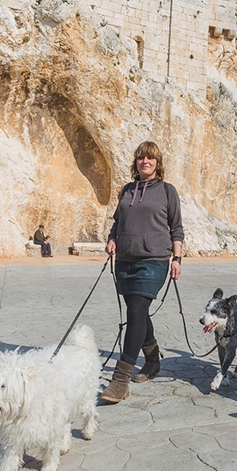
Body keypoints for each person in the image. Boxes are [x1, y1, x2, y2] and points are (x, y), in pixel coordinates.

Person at [100, 141, 183, 404]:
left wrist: (177, 258)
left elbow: (176, 228)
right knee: (139, 312)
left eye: (150, 158)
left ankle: (120, 380)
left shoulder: (167, 191)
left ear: (158, 163)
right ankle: (152, 360)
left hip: (154, 259)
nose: (144, 162)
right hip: (125, 260)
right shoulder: (127, 190)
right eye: (140, 158)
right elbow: (117, 222)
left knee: (136, 311)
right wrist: (113, 239)